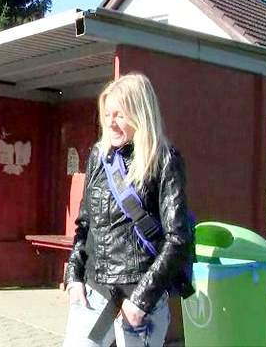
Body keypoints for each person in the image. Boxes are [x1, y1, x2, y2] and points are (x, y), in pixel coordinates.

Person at [63, 73, 194, 347]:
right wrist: (74, 277)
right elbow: (84, 225)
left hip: (138, 304)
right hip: (95, 295)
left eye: (119, 114)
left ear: (140, 114)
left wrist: (140, 302)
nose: (110, 122)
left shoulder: (165, 160)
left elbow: (178, 239)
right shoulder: (99, 155)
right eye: (107, 114)